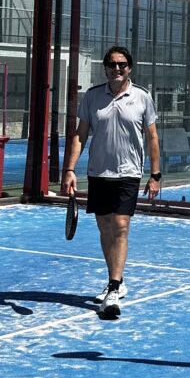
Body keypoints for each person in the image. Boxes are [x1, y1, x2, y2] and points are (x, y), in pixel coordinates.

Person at [61, 45, 162, 318]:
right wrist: (69, 169)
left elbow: (152, 137)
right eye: (112, 64)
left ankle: (114, 289)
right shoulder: (92, 97)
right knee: (105, 229)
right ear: (105, 67)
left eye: (122, 64)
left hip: (129, 173)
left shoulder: (142, 97)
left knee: (120, 225)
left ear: (130, 68)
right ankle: (116, 278)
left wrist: (155, 175)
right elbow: (80, 135)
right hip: (98, 173)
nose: (117, 69)